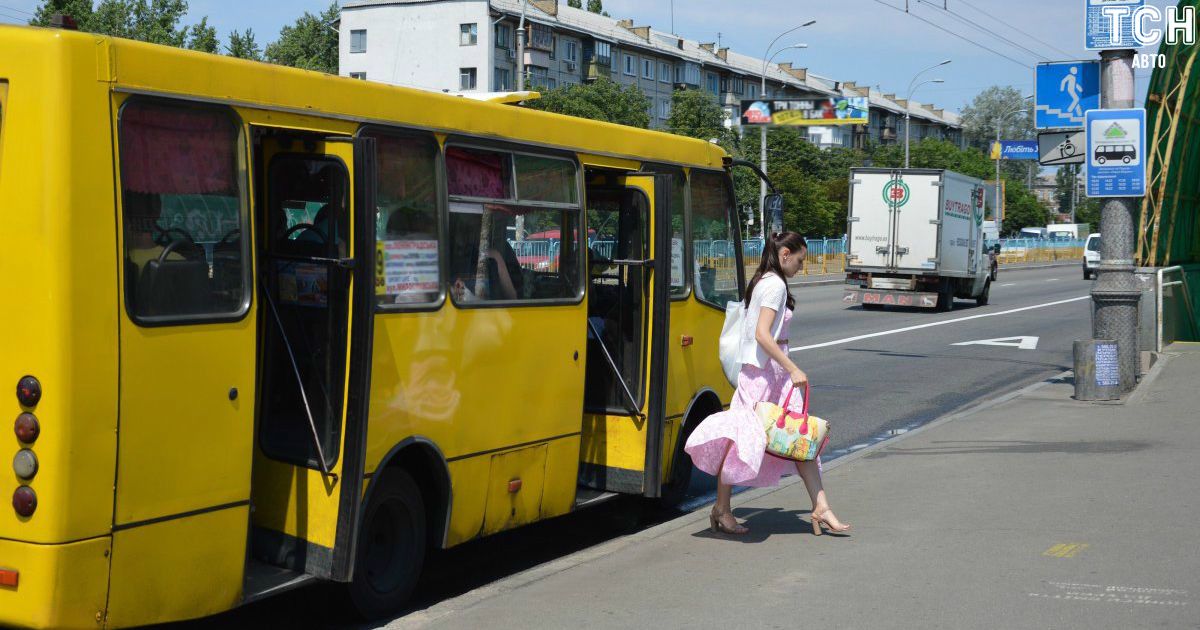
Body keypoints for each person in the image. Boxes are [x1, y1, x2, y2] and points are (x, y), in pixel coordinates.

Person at [685, 231, 850, 536]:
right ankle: (722, 509)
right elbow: (763, 333)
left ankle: (821, 506)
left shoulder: (763, 280)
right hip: (765, 375)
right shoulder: (774, 285)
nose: (802, 266)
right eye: (800, 259)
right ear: (785, 254)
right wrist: (793, 368)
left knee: (799, 438)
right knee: (758, 440)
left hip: (766, 372)